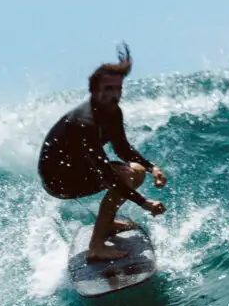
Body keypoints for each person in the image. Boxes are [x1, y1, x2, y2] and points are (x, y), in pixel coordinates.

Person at [38, 45, 167, 262]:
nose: (114, 94)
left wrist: (153, 167)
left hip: (82, 170)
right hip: (59, 180)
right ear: (94, 89)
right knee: (124, 175)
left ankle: (105, 225)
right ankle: (96, 246)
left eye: (118, 88)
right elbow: (106, 173)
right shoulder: (84, 121)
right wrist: (144, 202)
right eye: (108, 89)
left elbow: (122, 148)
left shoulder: (113, 112)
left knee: (137, 170)